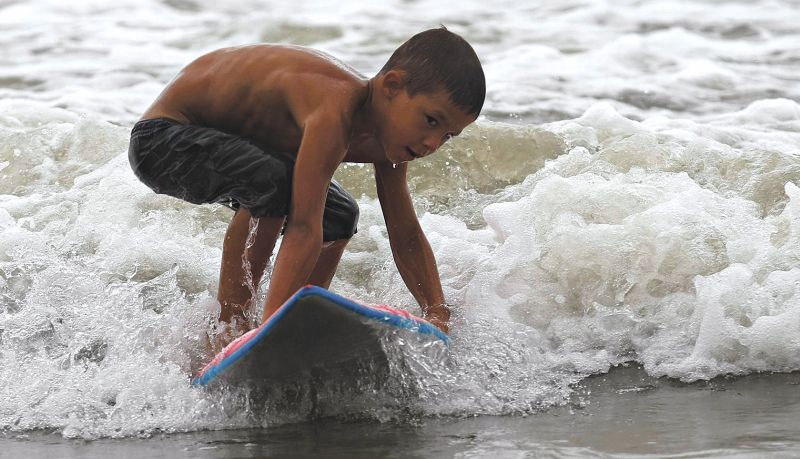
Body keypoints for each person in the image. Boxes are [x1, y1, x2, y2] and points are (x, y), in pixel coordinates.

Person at [128, 27, 485, 350]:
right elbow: (301, 228)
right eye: (431, 120)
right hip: (162, 139)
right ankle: (234, 329)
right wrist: (271, 335)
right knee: (273, 184)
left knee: (339, 216)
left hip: (231, 148)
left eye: (448, 135)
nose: (432, 143)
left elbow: (405, 232)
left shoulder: (391, 137)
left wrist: (436, 311)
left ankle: (298, 316)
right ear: (392, 86)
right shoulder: (335, 110)